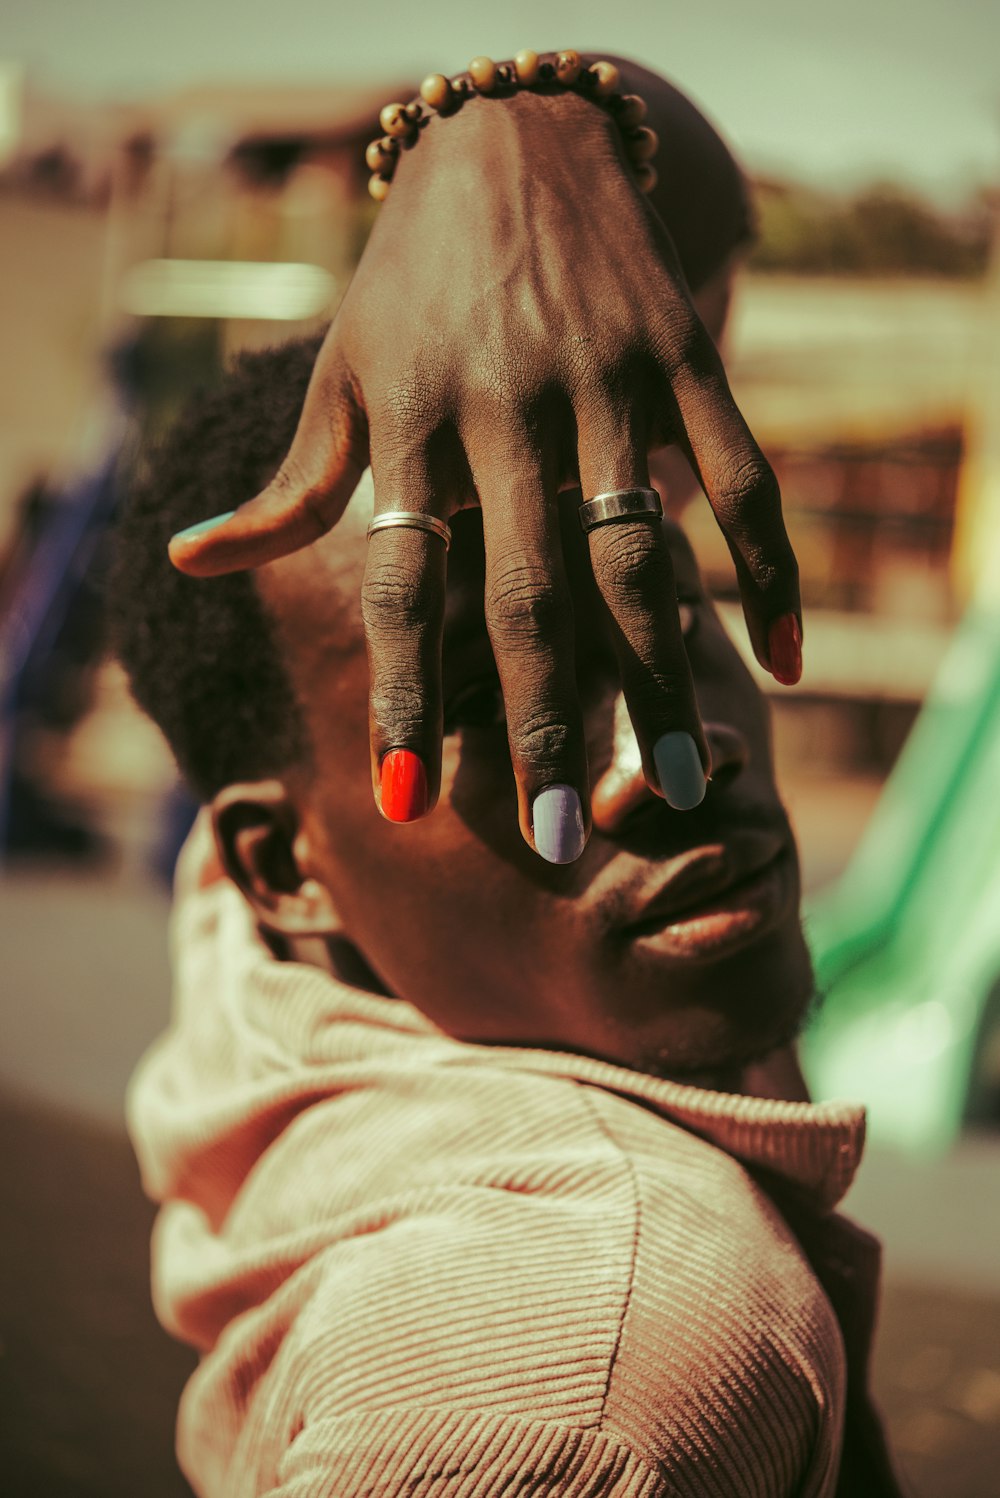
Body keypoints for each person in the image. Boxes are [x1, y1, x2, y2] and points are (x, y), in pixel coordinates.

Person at [112, 56, 902, 1498]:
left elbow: (682, 241)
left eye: (653, 601)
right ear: (279, 870)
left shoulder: (293, 920)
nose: (667, 757)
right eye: (491, 698)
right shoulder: (610, 1361)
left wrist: (497, 131)